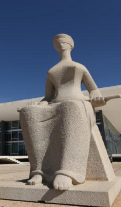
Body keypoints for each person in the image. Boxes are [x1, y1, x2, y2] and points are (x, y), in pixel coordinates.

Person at [19, 34, 107, 190]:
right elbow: (47, 97)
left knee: (71, 107)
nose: (61, 43)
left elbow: (93, 90)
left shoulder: (79, 67)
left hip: (78, 104)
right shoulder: (51, 72)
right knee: (28, 112)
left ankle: (67, 171)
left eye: (64, 41)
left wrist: (96, 97)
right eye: (58, 42)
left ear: (71, 44)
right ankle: (39, 170)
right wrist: (38, 104)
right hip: (56, 105)